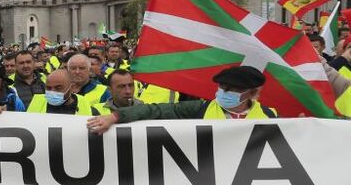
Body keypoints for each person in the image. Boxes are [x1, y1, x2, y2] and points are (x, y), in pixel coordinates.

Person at [86, 66, 277, 135]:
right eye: (221, 88)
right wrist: (115, 117)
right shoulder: (200, 109)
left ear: (251, 93)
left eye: (231, 90)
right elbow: (155, 111)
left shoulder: (271, 116)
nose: (223, 93)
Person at [26, 68, 104, 115]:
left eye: (58, 88)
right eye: (49, 88)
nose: (53, 91)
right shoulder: (35, 104)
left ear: (72, 87)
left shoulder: (90, 111)